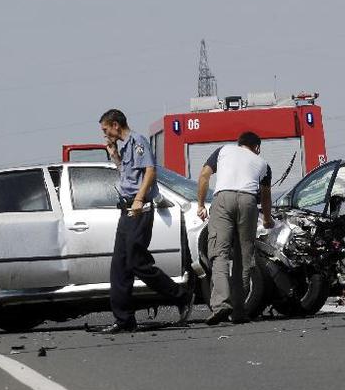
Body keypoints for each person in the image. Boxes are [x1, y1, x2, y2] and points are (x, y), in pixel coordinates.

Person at [98, 109, 193, 333]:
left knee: (136, 262)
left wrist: (140, 198)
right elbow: (127, 176)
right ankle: (124, 320)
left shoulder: (138, 140)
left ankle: (181, 295)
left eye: (105, 130)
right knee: (119, 268)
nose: (104, 135)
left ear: (115, 125)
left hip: (139, 210)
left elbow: (150, 171)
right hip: (126, 210)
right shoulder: (124, 147)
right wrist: (114, 156)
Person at [196, 131, 274, 325]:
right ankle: (239, 311)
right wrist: (267, 219)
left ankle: (221, 305)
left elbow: (204, 175)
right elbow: (265, 196)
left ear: (239, 144)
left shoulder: (223, 150)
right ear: (256, 147)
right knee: (244, 257)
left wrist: (200, 205)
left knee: (219, 253)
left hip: (223, 199)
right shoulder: (263, 163)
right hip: (248, 202)